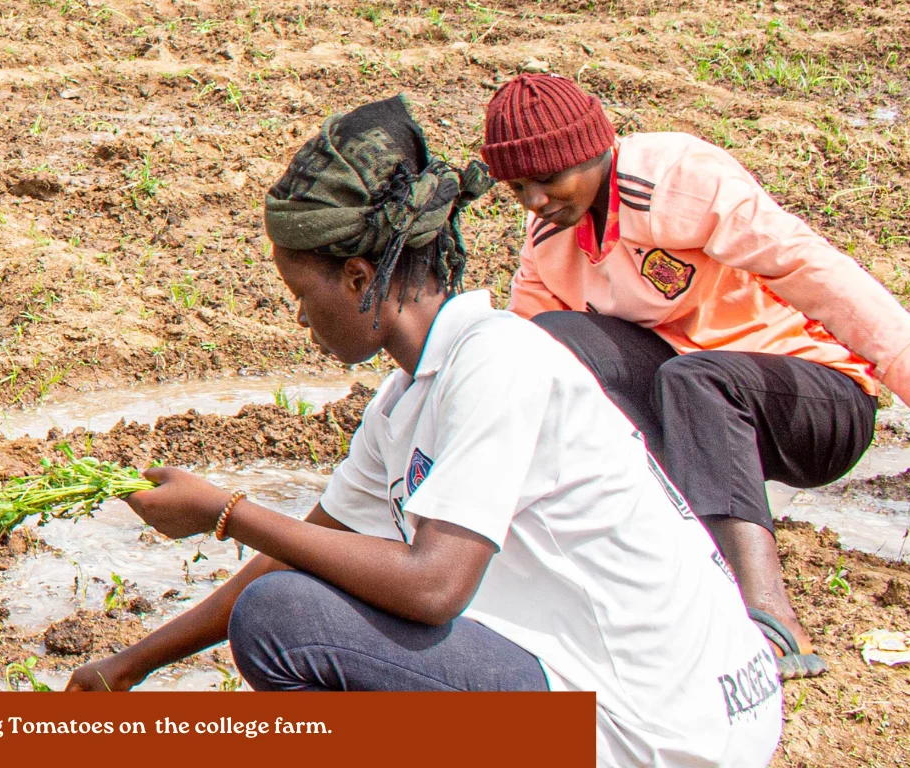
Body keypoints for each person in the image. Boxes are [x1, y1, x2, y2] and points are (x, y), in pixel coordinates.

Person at [67, 95, 783, 767]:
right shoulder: (408, 398)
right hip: (616, 694)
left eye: (301, 296)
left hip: (670, 730)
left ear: (356, 278)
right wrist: (127, 667)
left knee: (283, 621)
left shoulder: (498, 362)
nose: (299, 321)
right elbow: (305, 552)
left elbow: (434, 587)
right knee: (287, 601)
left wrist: (226, 514)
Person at [479, 74, 910, 680]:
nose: (535, 201)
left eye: (548, 179)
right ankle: (668, 573)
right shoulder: (551, 233)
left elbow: (807, 264)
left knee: (696, 380)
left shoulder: (680, 179)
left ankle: (769, 619)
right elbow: (523, 341)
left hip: (815, 397)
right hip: (694, 399)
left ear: (593, 151)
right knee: (555, 345)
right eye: (518, 186)